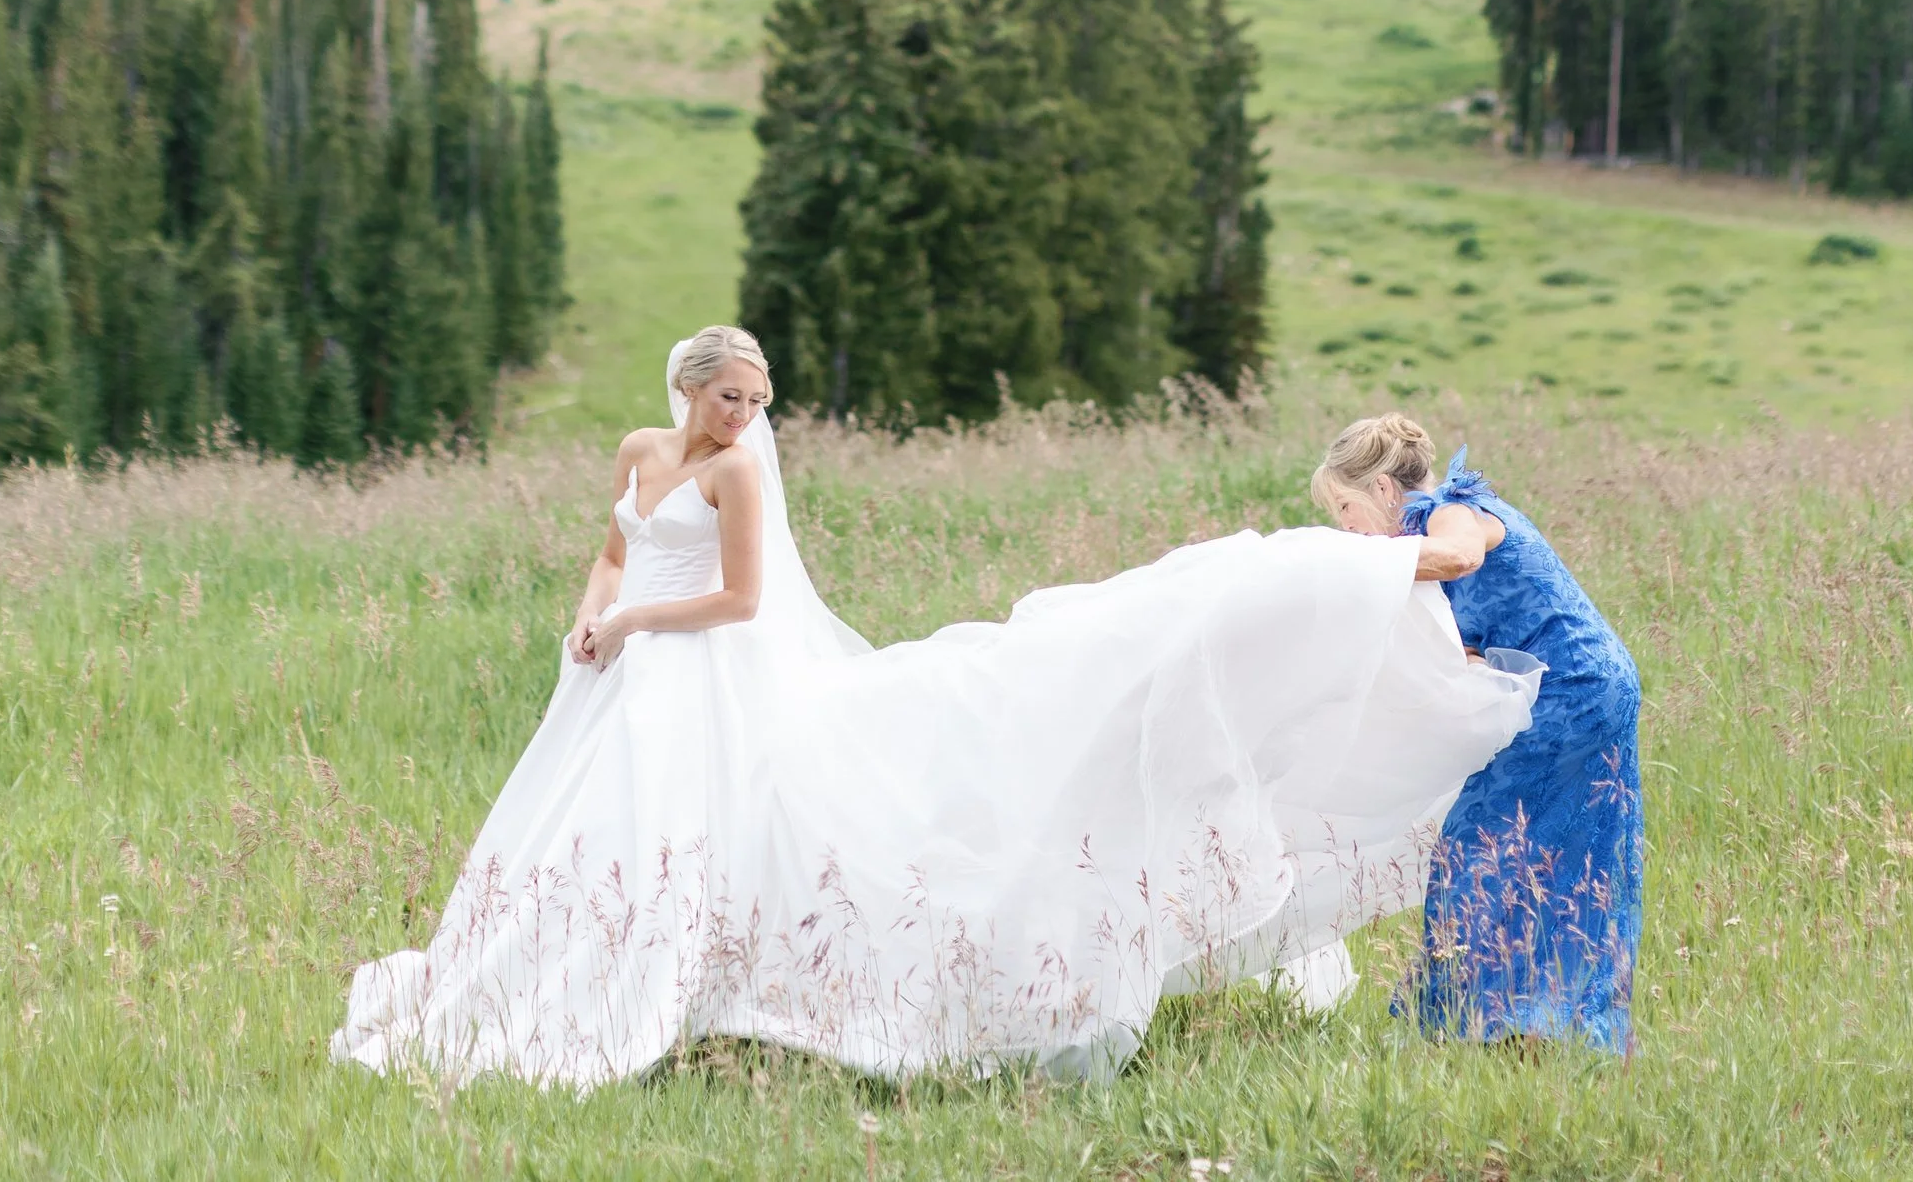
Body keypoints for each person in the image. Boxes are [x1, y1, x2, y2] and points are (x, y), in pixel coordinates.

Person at [334, 331, 1539, 1089]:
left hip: (693, 657)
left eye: (760, 402)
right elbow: (615, 549)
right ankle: (561, 973)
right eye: (731, 399)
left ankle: (697, 986)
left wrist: (637, 622)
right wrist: (591, 619)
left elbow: (741, 598)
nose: (746, 419)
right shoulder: (642, 449)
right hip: (615, 668)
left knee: (722, 816)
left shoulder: (742, 474)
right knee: (590, 833)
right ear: (687, 389)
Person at [1314, 414, 1644, 1055]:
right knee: (1555, 859)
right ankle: (1536, 1026)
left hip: (1571, 690)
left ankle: (1485, 1025)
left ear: (1385, 490)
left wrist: (1353, 565)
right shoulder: (1423, 541)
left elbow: (1461, 555)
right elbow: (1471, 651)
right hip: (1583, 687)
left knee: (1480, 852)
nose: (1345, 528)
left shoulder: (1452, 511)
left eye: (1346, 508)